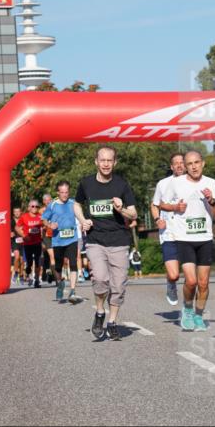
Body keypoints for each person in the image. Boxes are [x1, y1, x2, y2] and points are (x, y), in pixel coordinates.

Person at [74, 145, 138, 341]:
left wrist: (121, 209)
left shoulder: (122, 185)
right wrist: (83, 220)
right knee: (100, 279)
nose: (106, 164)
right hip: (96, 240)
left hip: (119, 241)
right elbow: (77, 204)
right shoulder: (86, 183)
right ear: (96, 161)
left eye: (109, 160)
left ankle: (112, 322)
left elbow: (133, 214)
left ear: (114, 162)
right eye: (102, 160)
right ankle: (100, 312)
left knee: (118, 285)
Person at [157, 150, 215, 331]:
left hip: (205, 238)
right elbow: (161, 204)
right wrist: (175, 207)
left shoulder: (212, 183)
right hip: (184, 238)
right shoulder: (176, 183)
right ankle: (187, 309)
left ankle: (199, 315)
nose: (194, 166)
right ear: (185, 166)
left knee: (203, 283)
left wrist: (212, 201)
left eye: (197, 163)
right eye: (190, 164)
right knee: (191, 281)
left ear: (203, 164)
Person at [152, 153, 186, 306]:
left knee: (194, 277)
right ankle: (171, 284)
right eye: (176, 163)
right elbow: (154, 205)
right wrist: (157, 219)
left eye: (182, 162)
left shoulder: (196, 183)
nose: (179, 165)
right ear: (172, 166)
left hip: (189, 233)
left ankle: (189, 307)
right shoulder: (163, 184)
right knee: (174, 275)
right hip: (169, 232)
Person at [42, 180, 84, 304]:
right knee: (58, 266)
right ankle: (60, 284)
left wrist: (83, 223)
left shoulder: (73, 203)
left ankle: (72, 290)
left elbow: (80, 216)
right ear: (58, 192)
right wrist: (50, 225)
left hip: (72, 238)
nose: (65, 195)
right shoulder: (53, 205)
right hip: (58, 241)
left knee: (73, 263)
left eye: (67, 192)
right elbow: (43, 219)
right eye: (62, 192)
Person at [17, 199, 45, 287]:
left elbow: (44, 227)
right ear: (29, 208)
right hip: (28, 244)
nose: (35, 208)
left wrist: (43, 237)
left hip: (37, 243)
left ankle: (36, 280)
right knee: (29, 263)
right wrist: (24, 236)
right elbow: (17, 228)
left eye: (36, 206)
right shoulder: (24, 217)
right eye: (33, 206)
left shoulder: (40, 216)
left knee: (37, 261)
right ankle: (28, 270)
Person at [10, 206, 25, 284]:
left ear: (21, 212)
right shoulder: (11, 221)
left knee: (22, 261)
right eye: (15, 211)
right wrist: (9, 233)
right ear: (13, 213)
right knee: (17, 256)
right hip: (14, 241)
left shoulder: (23, 220)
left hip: (23, 241)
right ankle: (15, 273)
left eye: (18, 211)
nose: (17, 213)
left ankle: (21, 275)